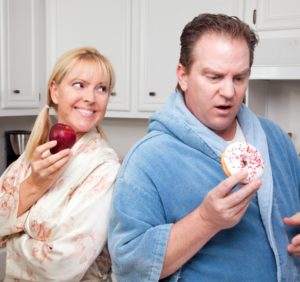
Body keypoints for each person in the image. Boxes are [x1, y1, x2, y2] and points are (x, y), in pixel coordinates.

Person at [108, 13, 300, 281]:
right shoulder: (148, 160)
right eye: (214, 77)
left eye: (239, 78)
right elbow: (129, 265)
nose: (229, 92)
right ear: (183, 76)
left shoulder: (275, 139)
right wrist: (205, 220)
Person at [0, 47, 120, 281]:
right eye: (79, 84)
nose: (91, 98)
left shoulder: (106, 169)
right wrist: (34, 183)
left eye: (102, 88)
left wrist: (11, 236)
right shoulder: (33, 155)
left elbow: (61, 265)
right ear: (55, 92)